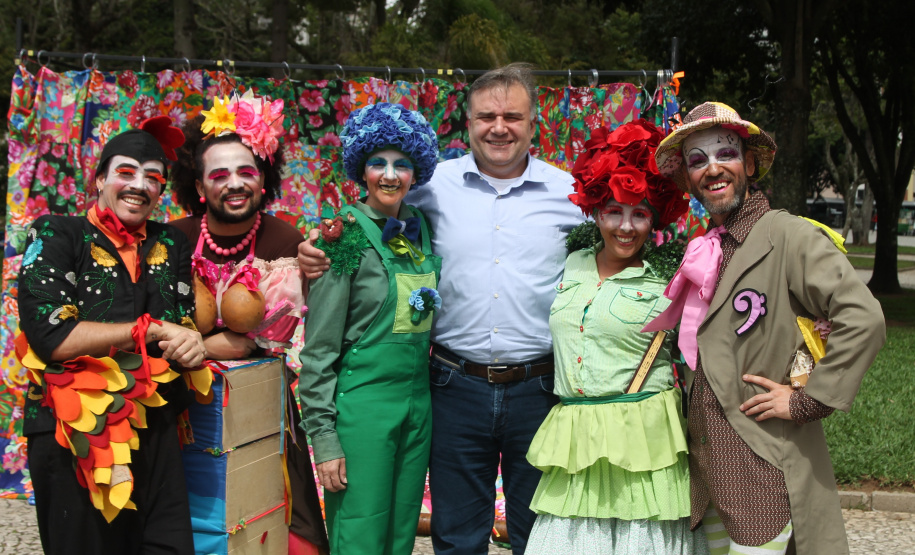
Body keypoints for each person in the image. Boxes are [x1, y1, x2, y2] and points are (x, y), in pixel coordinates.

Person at [298, 63, 586, 554]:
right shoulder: (428, 190)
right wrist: (314, 253)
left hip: (540, 390)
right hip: (454, 389)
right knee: (454, 537)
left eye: (513, 116)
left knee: (542, 535)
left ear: (534, 122)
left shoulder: (571, 197)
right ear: (467, 123)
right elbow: (363, 243)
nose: (499, 127)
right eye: (486, 116)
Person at [643, 102, 886, 555]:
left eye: (725, 154)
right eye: (697, 160)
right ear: (688, 178)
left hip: (765, 468)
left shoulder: (787, 236)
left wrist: (808, 400)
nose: (712, 169)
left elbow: (864, 318)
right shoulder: (702, 252)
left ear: (749, 163)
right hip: (711, 476)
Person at [16, 117, 206, 554]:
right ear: (100, 178)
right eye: (126, 172)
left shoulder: (171, 244)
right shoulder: (56, 233)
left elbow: (180, 324)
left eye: (152, 177)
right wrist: (149, 330)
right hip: (72, 431)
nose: (139, 185)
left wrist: (192, 341)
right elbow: (53, 337)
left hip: (154, 427)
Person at [525, 119, 707, 555]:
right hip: (576, 440)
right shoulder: (571, 265)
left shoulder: (672, 278)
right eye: (614, 211)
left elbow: (711, 352)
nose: (626, 227)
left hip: (644, 441)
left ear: (654, 219)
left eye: (640, 213)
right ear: (595, 210)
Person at [169, 91, 329, 554]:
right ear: (199, 186)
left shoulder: (287, 240)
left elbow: (274, 340)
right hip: (182, 411)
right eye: (219, 174)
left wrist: (212, 344)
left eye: (246, 171)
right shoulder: (172, 241)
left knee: (277, 524)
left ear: (263, 179)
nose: (234, 183)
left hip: (264, 411)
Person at [297, 102, 441, 555]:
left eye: (401, 164)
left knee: (399, 536)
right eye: (378, 163)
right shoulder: (341, 238)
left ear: (415, 172)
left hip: (417, 408)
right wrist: (324, 438)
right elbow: (317, 351)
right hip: (363, 411)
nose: (390, 175)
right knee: (359, 535)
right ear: (362, 169)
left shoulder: (420, 226)